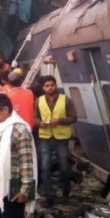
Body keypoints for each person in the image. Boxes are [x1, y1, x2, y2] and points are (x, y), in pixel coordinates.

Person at [34, 76, 77, 205]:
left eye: (52, 85)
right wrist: (40, 123)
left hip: (61, 139)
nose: (50, 88)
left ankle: (65, 194)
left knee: (64, 167)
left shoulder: (66, 100)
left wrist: (59, 121)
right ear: (43, 88)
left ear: (55, 85)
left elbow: (74, 118)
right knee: (45, 167)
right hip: (45, 138)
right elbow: (35, 118)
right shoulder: (38, 101)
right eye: (47, 86)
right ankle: (49, 196)